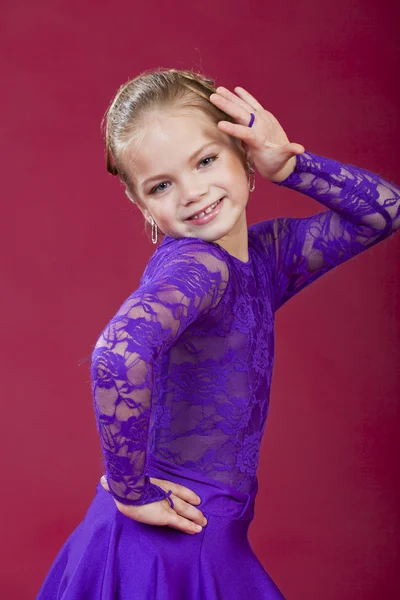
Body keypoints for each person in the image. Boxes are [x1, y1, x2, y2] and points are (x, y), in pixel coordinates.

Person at [36, 68, 399, 600]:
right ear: (144, 207)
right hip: (169, 545)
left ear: (243, 154)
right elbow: (118, 354)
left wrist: (291, 164)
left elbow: (384, 212)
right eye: (161, 185)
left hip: (202, 535)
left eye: (206, 160)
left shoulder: (265, 257)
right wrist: (131, 491)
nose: (193, 192)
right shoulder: (199, 268)